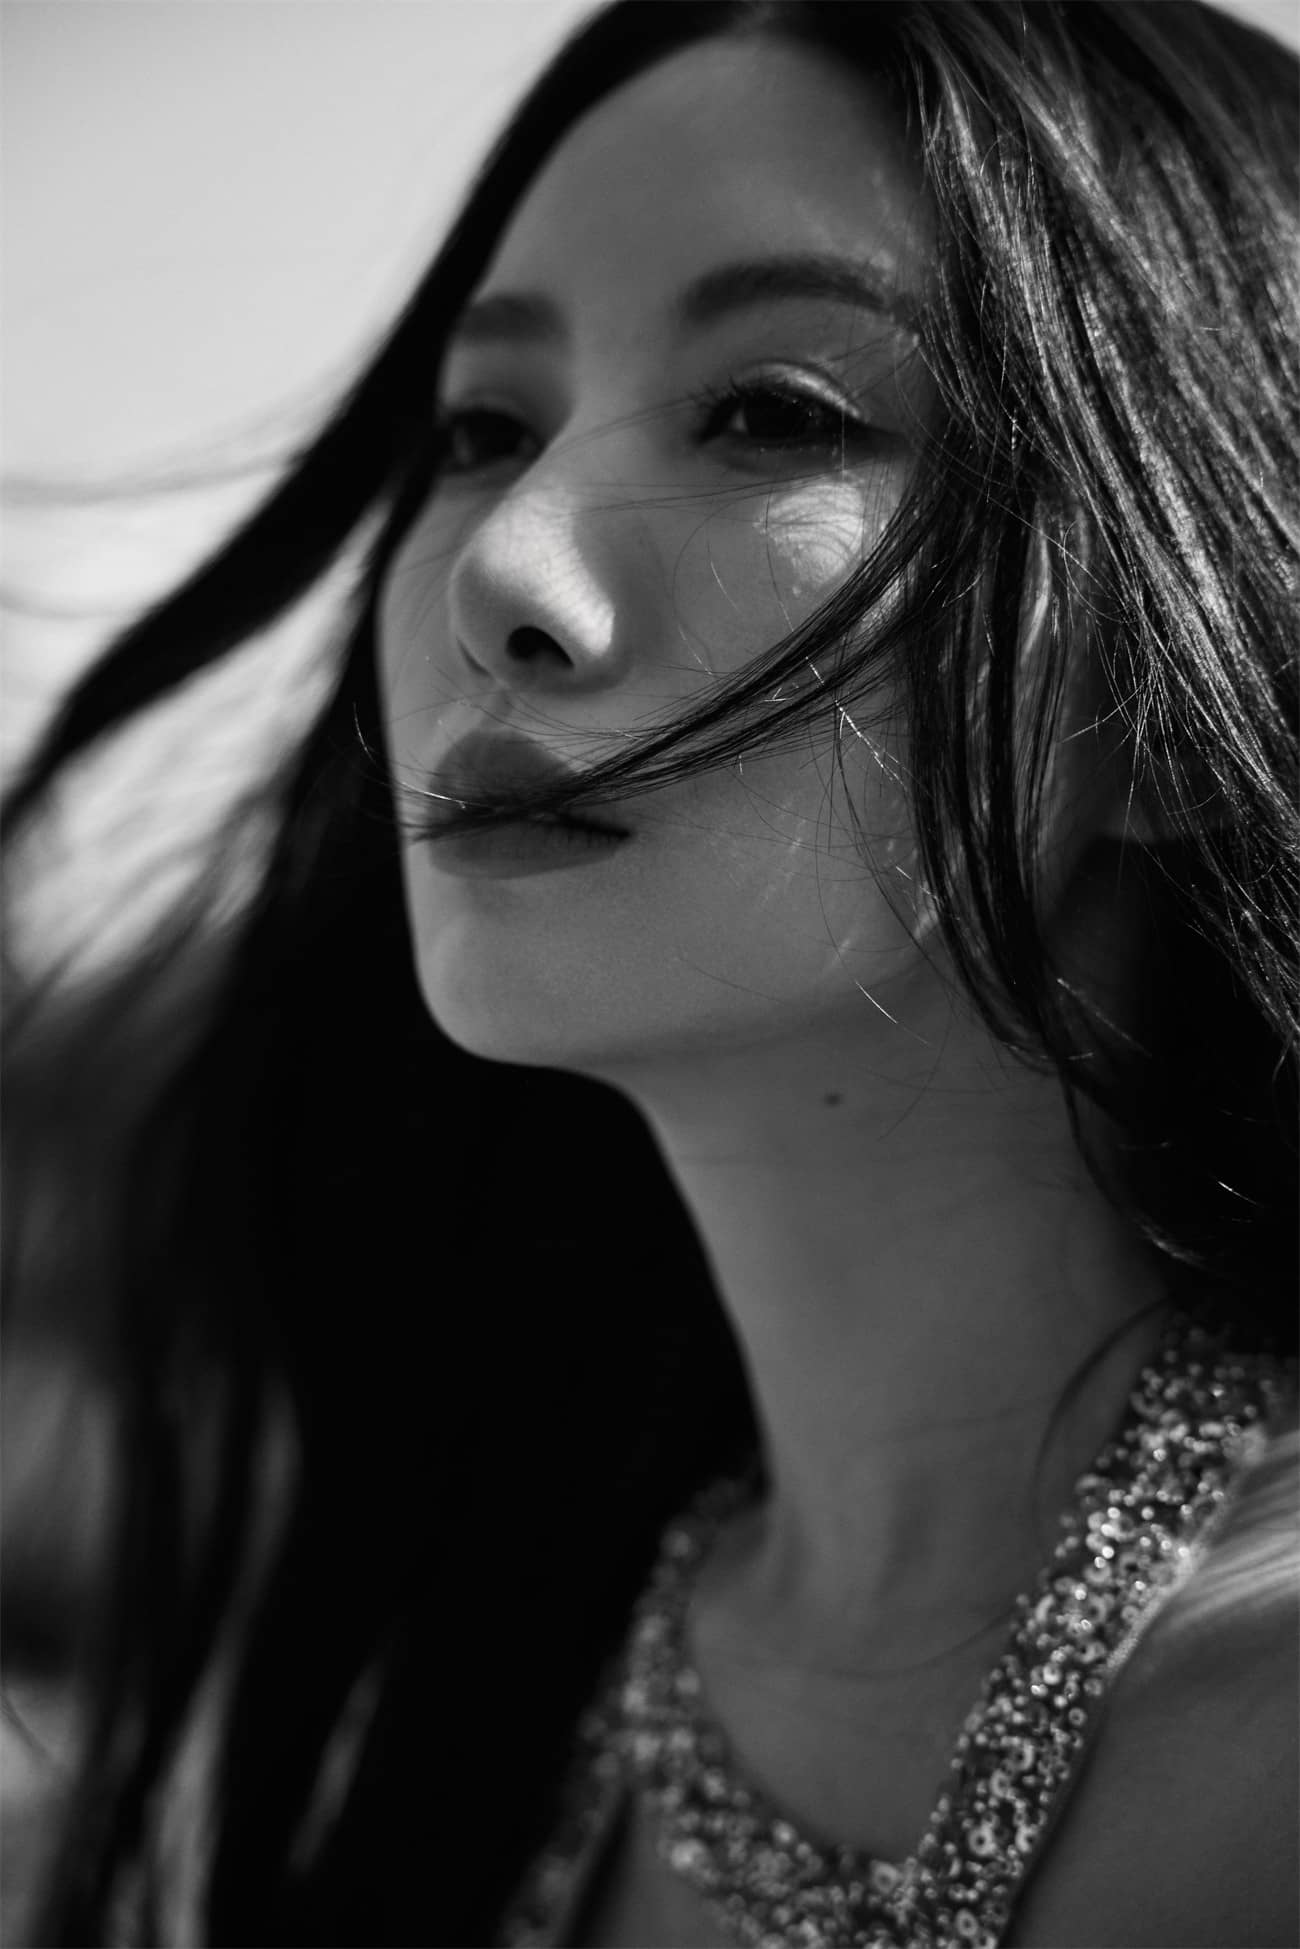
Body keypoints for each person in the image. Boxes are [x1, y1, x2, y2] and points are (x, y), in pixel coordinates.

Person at [3, 2, 1297, 1944]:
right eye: (482, 430)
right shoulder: (455, 1681)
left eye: (773, 411)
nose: (499, 573)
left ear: (1173, 685)